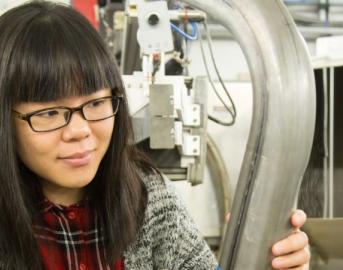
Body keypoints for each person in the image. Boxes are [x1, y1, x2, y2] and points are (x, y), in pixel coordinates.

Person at [0, 1, 310, 269]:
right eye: (50, 113)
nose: (80, 131)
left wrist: (268, 260)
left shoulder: (148, 200)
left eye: (95, 103)